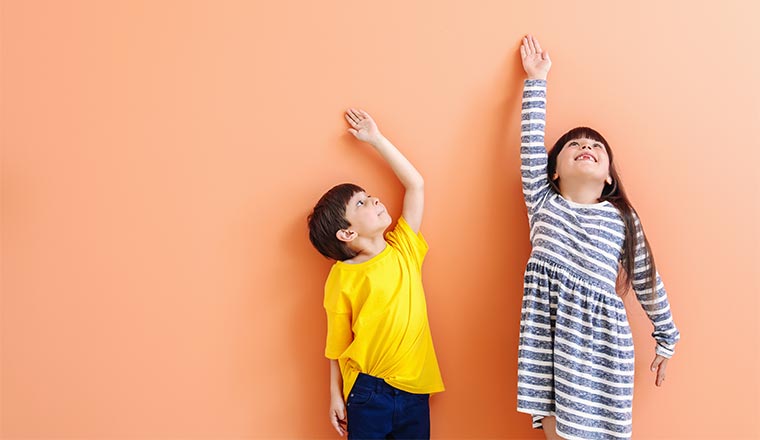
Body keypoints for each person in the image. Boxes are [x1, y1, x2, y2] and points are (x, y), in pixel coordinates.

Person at [515, 35, 680, 440]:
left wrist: (667, 336)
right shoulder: (542, 201)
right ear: (554, 170)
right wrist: (537, 80)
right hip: (550, 338)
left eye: (595, 147)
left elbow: (646, 278)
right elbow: (530, 145)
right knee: (556, 433)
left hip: (603, 343)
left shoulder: (620, 216)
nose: (585, 146)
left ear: (607, 176)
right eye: (574, 144)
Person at [307, 108, 445, 439]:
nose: (374, 200)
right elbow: (337, 344)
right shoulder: (342, 277)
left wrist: (376, 139)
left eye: (369, 197)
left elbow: (416, 184)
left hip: (415, 391)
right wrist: (334, 393)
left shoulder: (404, 248)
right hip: (368, 391)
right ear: (346, 234)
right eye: (361, 204)